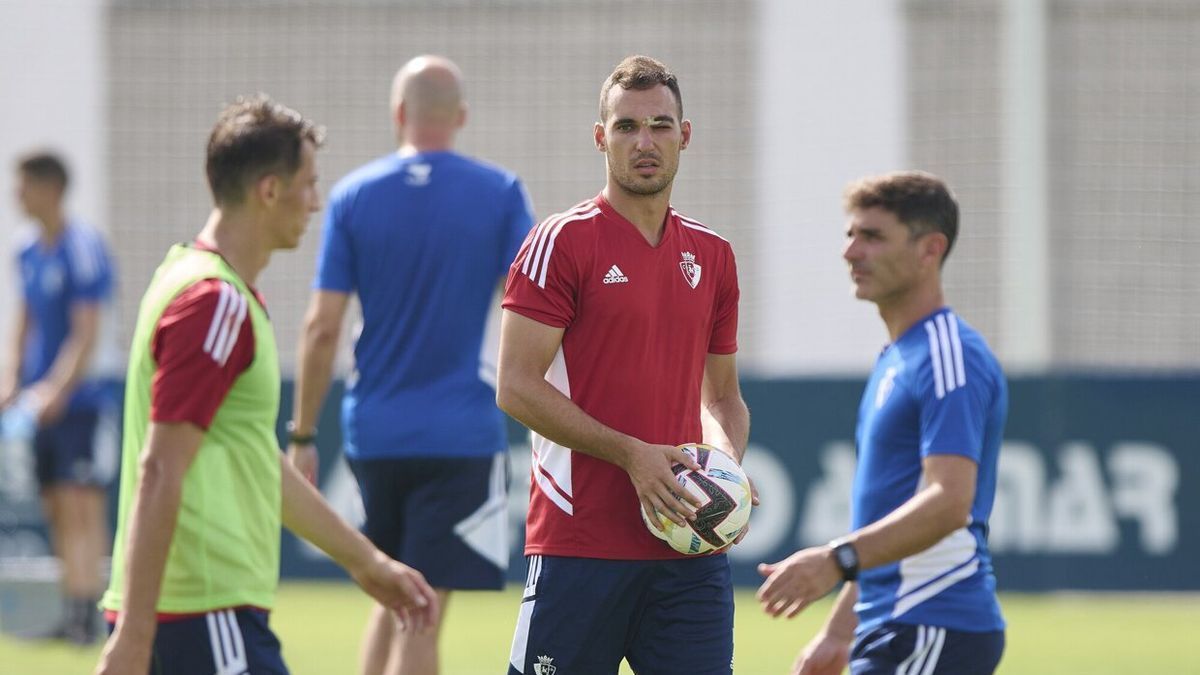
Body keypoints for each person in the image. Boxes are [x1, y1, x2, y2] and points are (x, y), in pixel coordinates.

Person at [95, 95, 439, 675]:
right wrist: (134, 632)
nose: (315, 202)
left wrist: (367, 564)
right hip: (201, 611)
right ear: (269, 190)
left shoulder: (191, 277)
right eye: (308, 184)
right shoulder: (214, 304)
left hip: (198, 612)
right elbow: (160, 467)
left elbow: (258, 458)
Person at [498, 55, 751, 675]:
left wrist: (721, 477)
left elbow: (721, 399)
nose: (645, 142)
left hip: (688, 557)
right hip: (579, 546)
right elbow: (515, 386)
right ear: (600, 138)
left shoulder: (713, 255)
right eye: (627, 127)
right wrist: (632, 454)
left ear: (684, 136)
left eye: (661, 126)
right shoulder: (561, 241)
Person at [286, 55, 534, 675]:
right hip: (458, 432)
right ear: (462, 117)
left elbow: (321, 329)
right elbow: (532, 308)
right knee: (423, 607)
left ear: (398, 113)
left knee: (393, 590)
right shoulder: (499, 193)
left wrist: (303, 434)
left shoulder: (351, 196)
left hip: (375, 432)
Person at [757, 171, 1007, 674]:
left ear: (929, 249)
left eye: (872, 236)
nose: (851, 252)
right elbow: (890, 513)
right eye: (851, 235)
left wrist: (835, 560)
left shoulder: (948, 354)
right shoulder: (898, 357)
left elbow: (949, 502)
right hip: (892, 627)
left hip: (933, 624)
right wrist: (838, 631)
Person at [1, 151, 115, 644]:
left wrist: (59, 389)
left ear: (50, 188)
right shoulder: (25, 249)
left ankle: (91, 616)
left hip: (81, 402)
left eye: (23, 184)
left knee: (80, 505)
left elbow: (85, 332)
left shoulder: (84, 246)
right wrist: (12, 382)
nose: (16, 194)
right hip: (40, 404)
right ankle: (71, 610)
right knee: (53, 505)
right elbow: (24, 324)